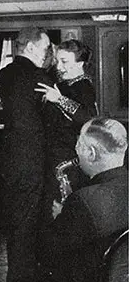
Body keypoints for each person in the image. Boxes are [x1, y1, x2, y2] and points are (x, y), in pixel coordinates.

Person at [16, 118, 127, 282]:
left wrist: (60, 218)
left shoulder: (84, 201)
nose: (75, 153)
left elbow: (45, 254)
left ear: (91, 154)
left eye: (78, 145)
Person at [0, 26, 52, 282]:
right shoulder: (40, 77)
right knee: (31, 217)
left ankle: (15, 276)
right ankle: (22, 281)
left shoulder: (5, 73)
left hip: (11, 154)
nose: (47, 53)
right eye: (45, 48)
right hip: (33, 155)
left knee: (16, 214)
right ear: (30, 47)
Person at [36, 39, 98, 219]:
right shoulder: (64, 84)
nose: (59, 66)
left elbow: (88, 118)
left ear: (80, 63)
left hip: (68, 157)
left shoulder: (83, 86)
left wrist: (59, 99)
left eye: (64, 61)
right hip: (56, 154)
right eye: (57, 61)